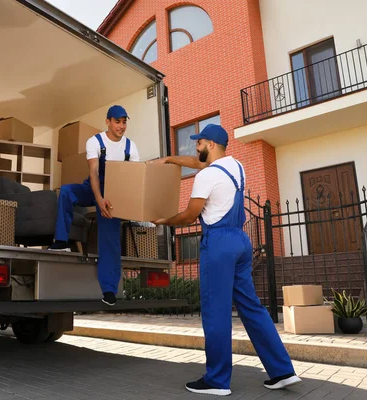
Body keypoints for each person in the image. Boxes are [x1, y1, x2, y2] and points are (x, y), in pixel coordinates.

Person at [151, 124, 300, 396]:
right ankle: (283, 371)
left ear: (209, 143)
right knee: (252, 308)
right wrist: (170, 159)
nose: (195, 147)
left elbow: (189, 214)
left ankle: (217, 380)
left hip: (218, 243)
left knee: (215, 311)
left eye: (198, 143)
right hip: (241, 242)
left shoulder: (206, 177)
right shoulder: (236, 167)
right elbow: (197, 163)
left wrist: (164, 221)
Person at [48, 105, 140, 306]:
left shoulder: (130, 147)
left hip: (114, 193)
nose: (122, 126)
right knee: (66, 192)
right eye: (117, 121)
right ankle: (62, 241)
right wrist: (98, 198)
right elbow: (93, 172)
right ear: (107, 121)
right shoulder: (95, 141)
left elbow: (133, 177)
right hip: (93, 187)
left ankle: (109, 290)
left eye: (124, 122)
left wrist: (125, 204)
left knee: (109, 237)